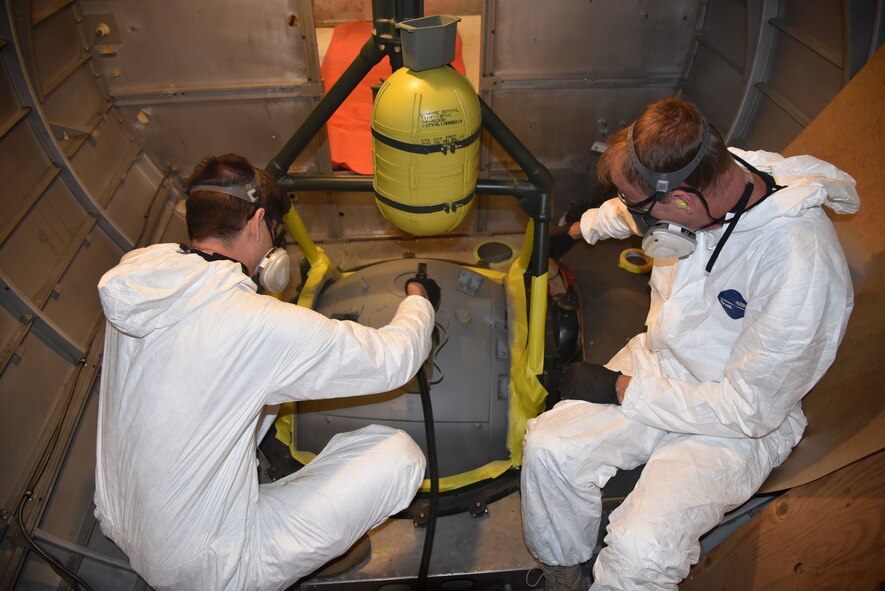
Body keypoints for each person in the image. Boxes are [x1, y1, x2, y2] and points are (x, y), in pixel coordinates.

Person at [522, 97, 859, 591]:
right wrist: (576, 230)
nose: (636, 220)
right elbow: (630, 208)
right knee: (549, 448)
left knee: (640, 550)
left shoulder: (799, 265)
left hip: (735, 422)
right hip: (664, 361)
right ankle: (563, 570)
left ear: (681, 203)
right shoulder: (712, 176)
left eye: (641, 209)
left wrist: (620, 389)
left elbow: (749, 409)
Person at [94, 153, 441, 591]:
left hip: (125, 521)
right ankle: (303, 554)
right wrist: (419, 300)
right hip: (210, 569)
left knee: (265, 398)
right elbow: (394, 360)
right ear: (258, 223)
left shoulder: (143, 280)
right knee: (400, 457)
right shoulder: (254, 323)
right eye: (275, 233)